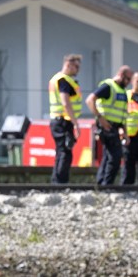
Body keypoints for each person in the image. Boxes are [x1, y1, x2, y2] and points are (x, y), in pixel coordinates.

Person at [85, 65, 133, 185]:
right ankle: (107, 184)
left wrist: (125, 132)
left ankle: (101, 183)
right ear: (121, 75)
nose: (128, 83)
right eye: (127, 79)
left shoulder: (122, 91)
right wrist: (100, 118)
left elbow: (122, 114)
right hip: (107, 126)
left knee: (108, 156)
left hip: (116, 127)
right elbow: (90, 100)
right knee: (115, 156)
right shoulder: (108, 86)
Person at [48, 53, 83, 184]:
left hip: (59, 120)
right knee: (65, 153)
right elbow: (65, 103)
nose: (78, 70)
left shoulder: (57, 79)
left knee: (61, 152)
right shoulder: (63, 81)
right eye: (76, 66)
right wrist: (75, 124)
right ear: (68, 64)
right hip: (63, 120)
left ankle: (56, 182)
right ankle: (60, 184)